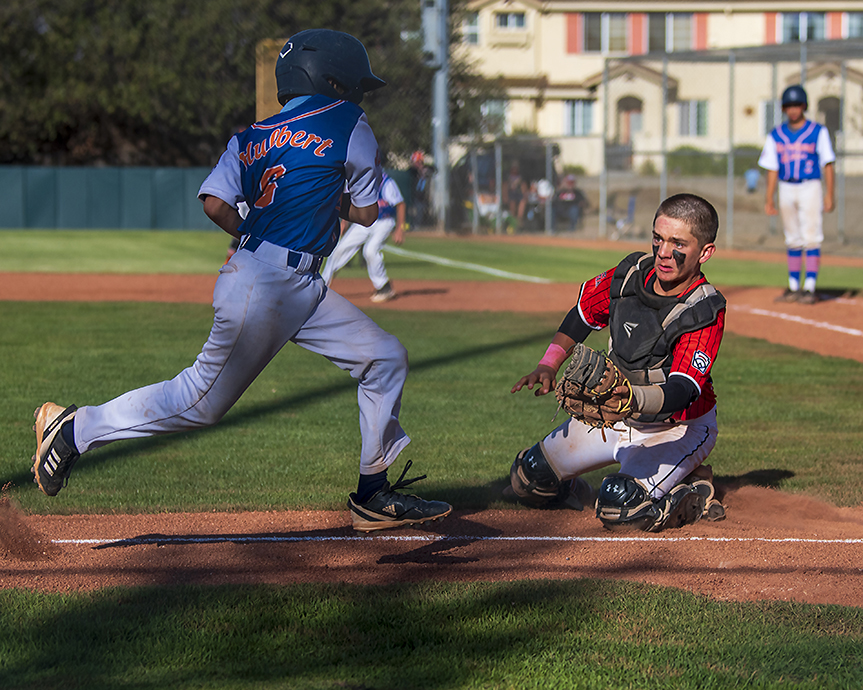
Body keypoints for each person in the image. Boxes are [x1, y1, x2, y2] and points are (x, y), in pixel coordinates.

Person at [29, 28, 451, 533]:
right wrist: (326, 199)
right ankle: (75, 430)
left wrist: (259, 233)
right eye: (354, 85)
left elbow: (214, 203)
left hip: (279, 279)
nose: (358, 94)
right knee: (199, 403)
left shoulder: (251, 136)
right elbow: (363, 212)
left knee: (384, 358)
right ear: (334, 81)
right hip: (269, 288)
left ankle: (373, 493)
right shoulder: (347, 120)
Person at [508, 193, 727, 532]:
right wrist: (548, 363)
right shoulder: (629, 275)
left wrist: (630, 398)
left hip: (676, 428)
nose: (664, 252)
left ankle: (690, 489)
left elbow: (684, 388)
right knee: (530, 476)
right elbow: (583, 315)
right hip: (615, 417)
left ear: (705, 252)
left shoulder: (704, 309)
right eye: (658, 238)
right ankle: (593, 487)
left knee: (619, 502)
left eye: (678, 243)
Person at [759, 84, 835, 305]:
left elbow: (828, 163)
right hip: (786, 186)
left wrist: (830, 194)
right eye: (789, 105)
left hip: (810, 185)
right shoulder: (777, 134)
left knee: (811, 236)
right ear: (784, 108)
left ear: (804, 106)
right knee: (792, 238)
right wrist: (768, 197)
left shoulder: (817, 131)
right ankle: (793, 287)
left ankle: (809, 287)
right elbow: (772, 168)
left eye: (797, 105)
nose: (793, 109)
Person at [321, 171, 406, 303]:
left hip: (384, 221)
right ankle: (322, 286)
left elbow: (400, 204)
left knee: (370, 250)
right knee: (338, 250)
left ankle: (384, 286)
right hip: (362, 222)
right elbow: (348, 202)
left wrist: (400, 229)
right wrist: (344, 223)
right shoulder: (354, 181)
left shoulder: (385, 181)